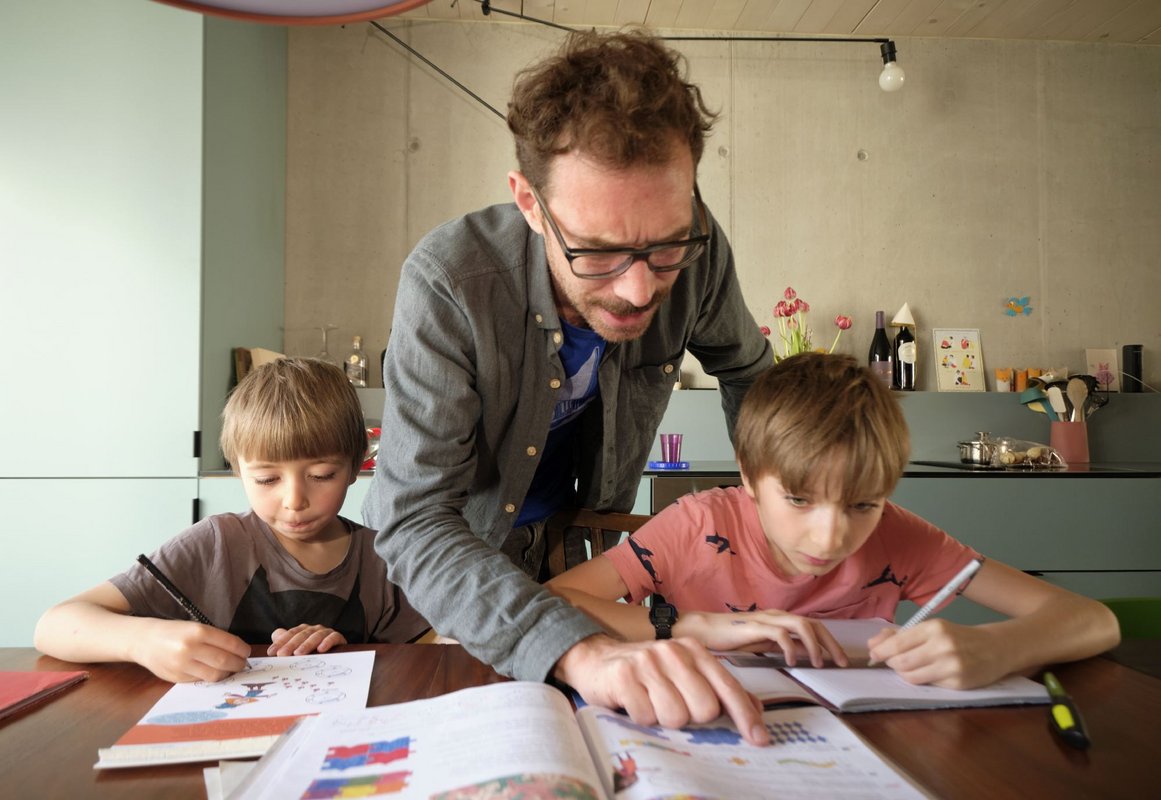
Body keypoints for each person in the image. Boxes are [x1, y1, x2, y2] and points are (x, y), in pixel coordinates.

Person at [363, 30, 774, 744]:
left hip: (587, 541)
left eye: (667, 245)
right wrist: (577, 651)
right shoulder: (449, 282)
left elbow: (749, 372)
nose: (639, 289)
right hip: (465, 564)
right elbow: (413, 519)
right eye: (599, 252)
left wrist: (784, 514)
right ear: (528, 202)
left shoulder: (701, 254)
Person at [548, 352, 1120, 689]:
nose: (830, 538)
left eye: (862, 504)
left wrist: (997, 648)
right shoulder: (694, 525)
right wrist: (681, 627)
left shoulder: (900, 537)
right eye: (798, 500)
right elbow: (551, 601)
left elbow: (1092, 620)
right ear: (748, 475)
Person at [35, 357, 429, 683]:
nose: (294, 501)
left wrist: (347, 649)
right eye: (266, 479)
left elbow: (430, 652)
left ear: (357, 463)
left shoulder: (381, 557)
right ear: (238, 471)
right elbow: (54, 625)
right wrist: (145, 640)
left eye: (322, 475)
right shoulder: (216, 543)